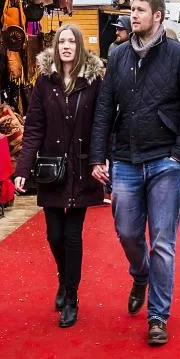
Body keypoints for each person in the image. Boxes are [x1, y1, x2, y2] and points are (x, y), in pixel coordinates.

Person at [90, 0, 180, 347]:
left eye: (140, 10)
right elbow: (105, 108)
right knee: (126, 230)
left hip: (165, 161)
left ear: (158, 16)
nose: (133, 15)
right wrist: (98, 156)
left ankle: (158, 316)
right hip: (125, 158)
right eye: (132, 10)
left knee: (163, 242)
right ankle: (140, 275)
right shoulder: (119, 55)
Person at [14, 24, 107, 328]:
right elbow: (34, 128)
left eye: (71, 41)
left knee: (72, 235)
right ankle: (63, 278)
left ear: (79, 46)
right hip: (52, 169)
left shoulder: (93, 82)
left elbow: (99, 125)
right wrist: (23, 170)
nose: (66, 46)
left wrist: (99, 160)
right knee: (54, 234)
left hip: (81, 169)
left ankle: (71, 295)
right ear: (55, 46)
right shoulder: (43, 82)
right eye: (62, 41)